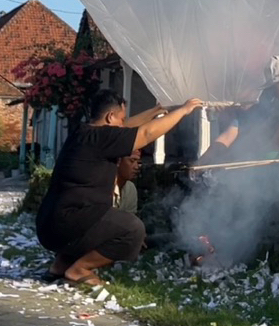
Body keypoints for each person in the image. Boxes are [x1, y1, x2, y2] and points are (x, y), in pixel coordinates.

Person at [35, 90, 203, 289]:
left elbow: (129, 127)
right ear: (110, 117)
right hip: (68, 224)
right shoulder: (102, 138)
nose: (123, 125)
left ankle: (61, 265)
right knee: (132, 229)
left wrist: (156, 111)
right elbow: (146, 133)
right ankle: (80, 269)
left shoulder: (83, 133)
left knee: (94, 219)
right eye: (121, 119)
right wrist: (183, 111)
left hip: (47, 226)